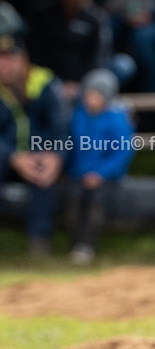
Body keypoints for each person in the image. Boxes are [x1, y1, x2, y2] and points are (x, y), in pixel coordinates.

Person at [0, 2, 68, 257]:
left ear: (23, 57)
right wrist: (13, 157)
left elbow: (62, 128)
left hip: (40, 158)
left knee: (45, 170)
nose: (4, 65)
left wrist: (56, 157)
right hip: (7, 160)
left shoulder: (45, 83)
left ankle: (39, 244)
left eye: (10, 57)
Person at [67, 67, 134, 265]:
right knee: (73, 199)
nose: (90, 98)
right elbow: (72, 147)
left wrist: (100, 174)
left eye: (95, 94)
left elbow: (122, 153)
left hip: (106, 177)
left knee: (96, 202)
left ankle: (87, 246)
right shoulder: (78, 114)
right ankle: (75, 244)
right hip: (78, 174)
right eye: (88, 93)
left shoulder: (117, 118)